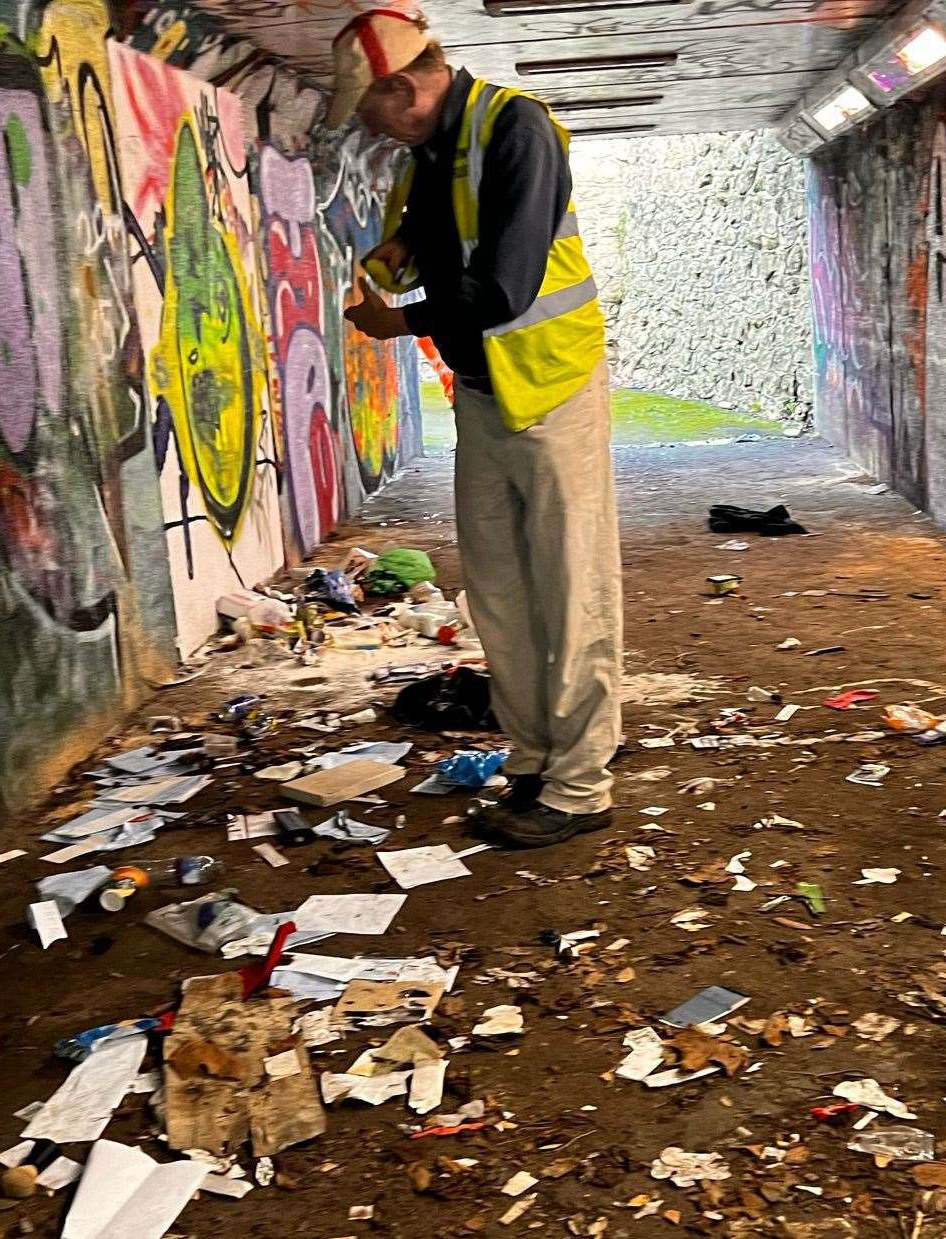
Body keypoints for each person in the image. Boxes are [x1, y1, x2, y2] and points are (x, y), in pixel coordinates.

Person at [331, 10, 623, 848]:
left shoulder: (516, 129)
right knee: (499, 590)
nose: (365, 125)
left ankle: (580, 784)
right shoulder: (425, 155)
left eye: (368, 108)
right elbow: (419, 238)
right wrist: (382, 266)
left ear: (403, 88)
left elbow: (507, 285)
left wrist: (398, 321)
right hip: (485, 390)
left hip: (553, 384)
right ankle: (533, 755)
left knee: (573, 589)